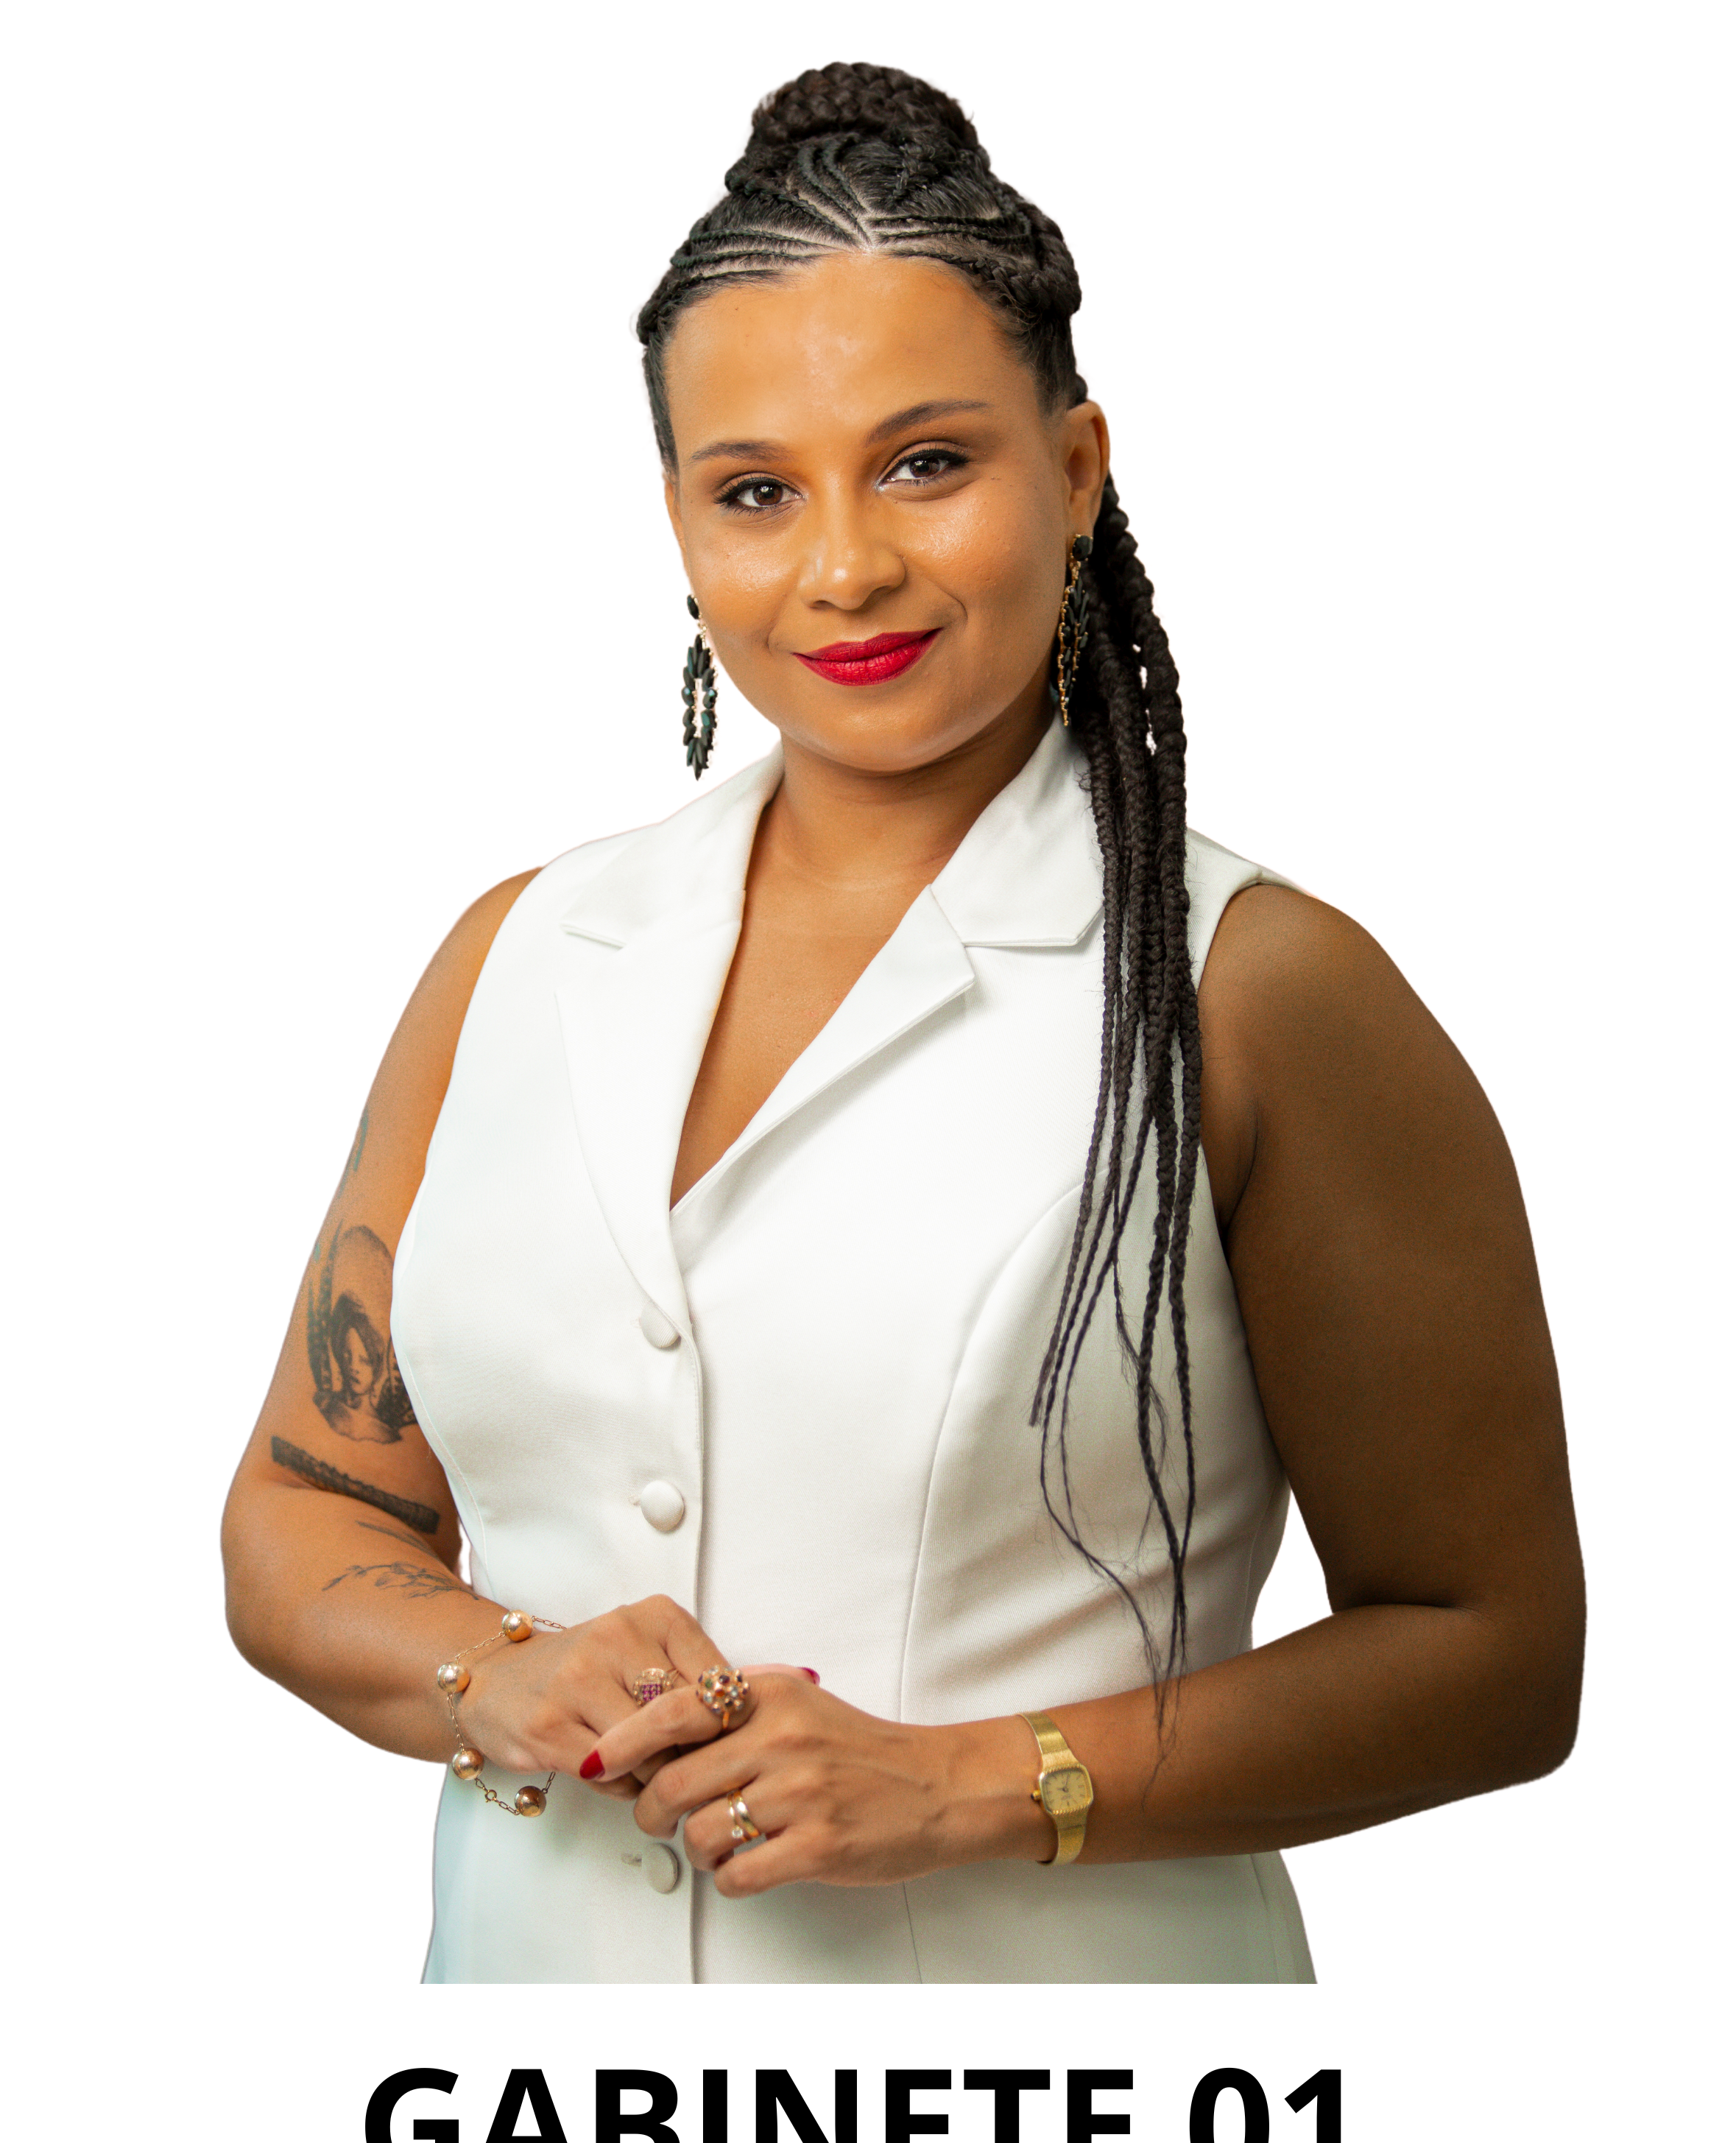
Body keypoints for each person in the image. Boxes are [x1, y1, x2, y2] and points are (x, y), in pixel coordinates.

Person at [221, 62, 1584, 1984]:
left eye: (927, 463)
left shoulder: (1256, 991)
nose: (844, 565)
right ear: (679, 525)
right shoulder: (516, 956)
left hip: (1058, 2111)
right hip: (546, 2107)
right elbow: (302, 1509)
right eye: (755, 491)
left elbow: (1493, 1654)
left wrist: (972, 1785)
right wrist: (493, 1670)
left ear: (1076, 469)